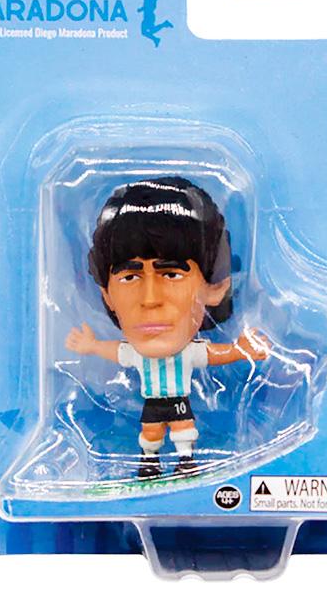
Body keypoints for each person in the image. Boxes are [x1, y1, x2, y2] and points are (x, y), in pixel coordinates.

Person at [65, 176, 269, 478]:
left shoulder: (187, 354)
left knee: (183, 428)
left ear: (215, 287)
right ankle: (149, 461)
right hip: (153, 404)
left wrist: (241, 350)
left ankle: (185, 460)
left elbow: (214, 354)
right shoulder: (137, 354)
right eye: (129, 277)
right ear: (107, 295)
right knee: (151, 431)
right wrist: (91, 346)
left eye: (172, 274)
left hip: (178, 401)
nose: (150, 300)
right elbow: (116, 352)